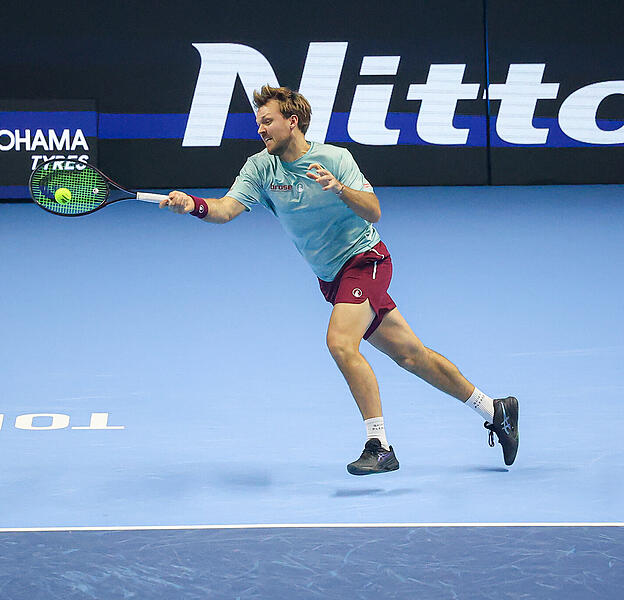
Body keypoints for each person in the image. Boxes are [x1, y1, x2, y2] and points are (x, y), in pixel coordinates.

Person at [160, 85, 518, 475]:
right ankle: (495, 408)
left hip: (366, 262)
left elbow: (374, 211)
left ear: (292, 121)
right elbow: (226, 209)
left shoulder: (335, 159)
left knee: (340, 342)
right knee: (411, 355)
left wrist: (340, 188)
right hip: (332, 278)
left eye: (268, 121)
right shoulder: (260, 168)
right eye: (258, 123)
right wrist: (191, 204)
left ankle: (379, 445)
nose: (261, 130)